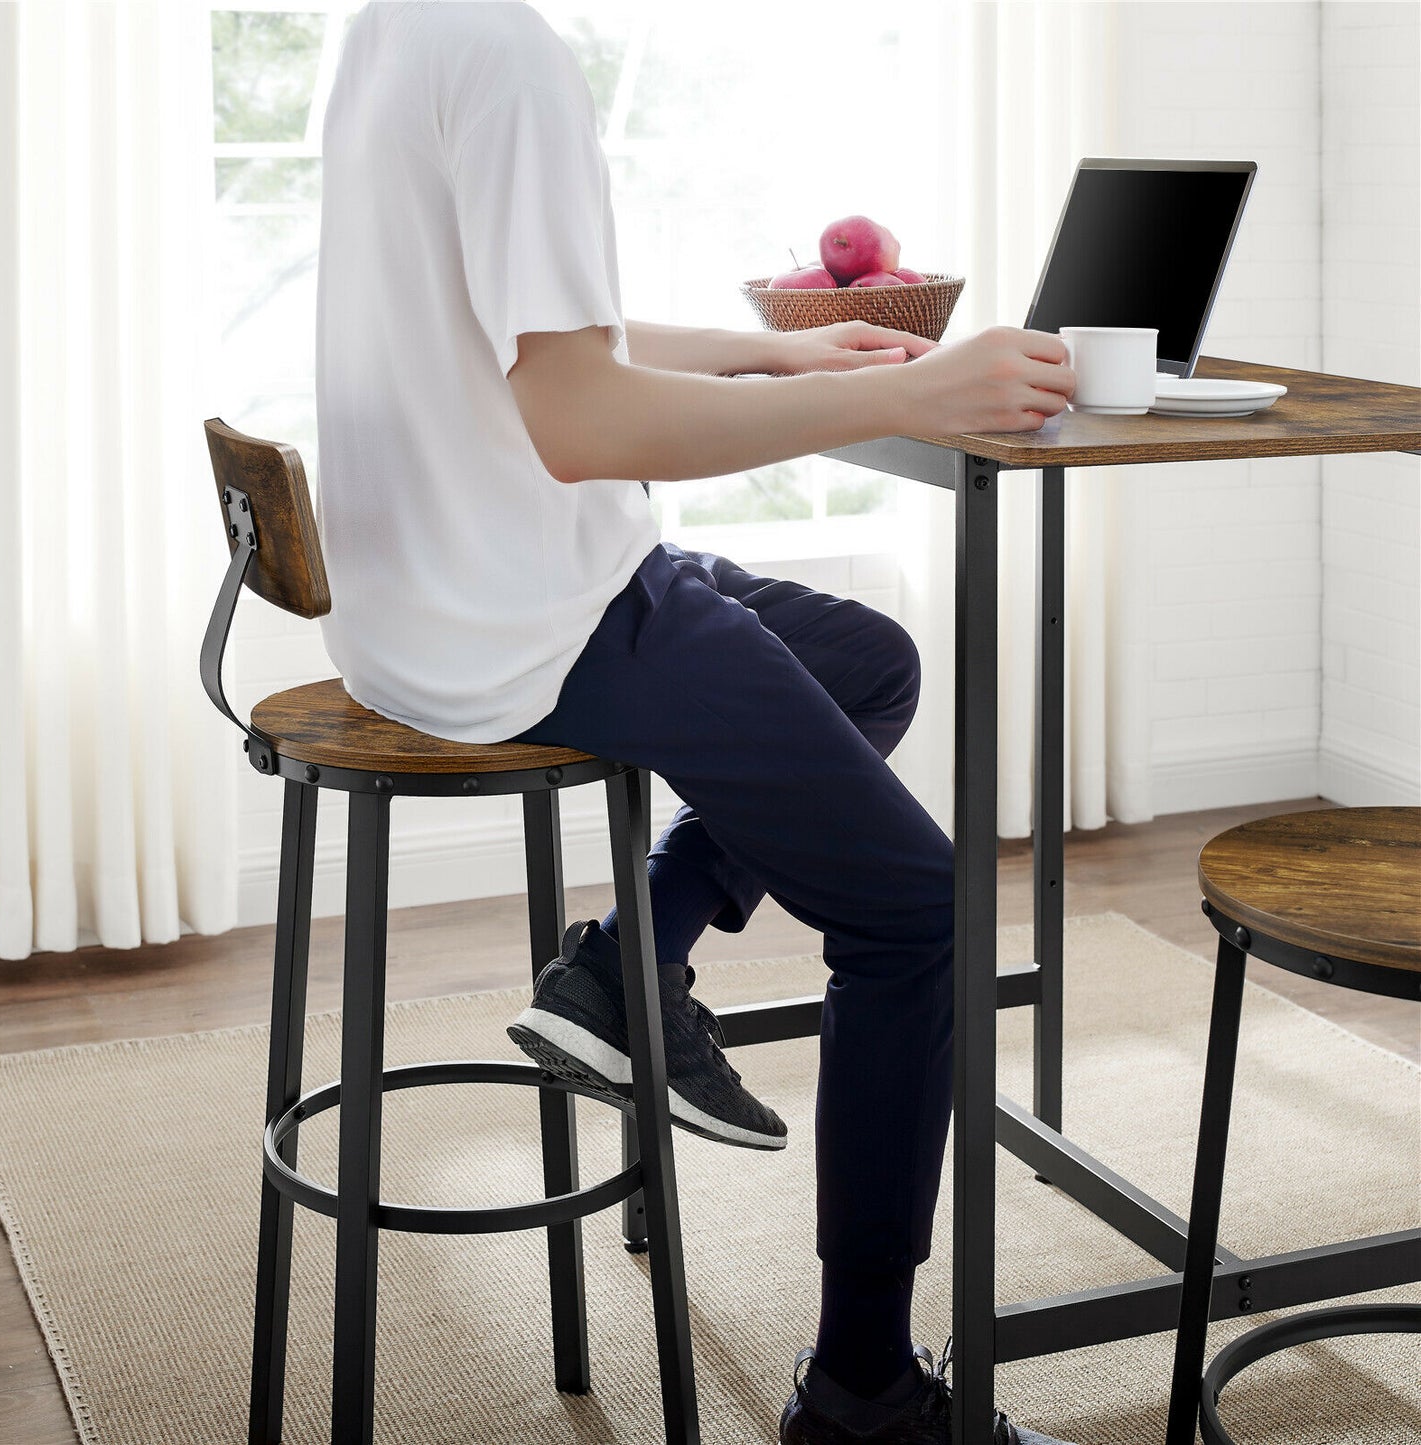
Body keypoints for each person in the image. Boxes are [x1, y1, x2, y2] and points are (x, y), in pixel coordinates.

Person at [315, 4, 1076, 1442]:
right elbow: (584, 423)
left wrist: (773, 353)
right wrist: (900, 389)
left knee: (866, 659)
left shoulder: (400, 26)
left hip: (429, 590)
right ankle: (863, 1393)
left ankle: (626, 958)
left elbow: (537, 337)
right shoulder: (509, 57)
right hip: (536, 608)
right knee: (922, 912)